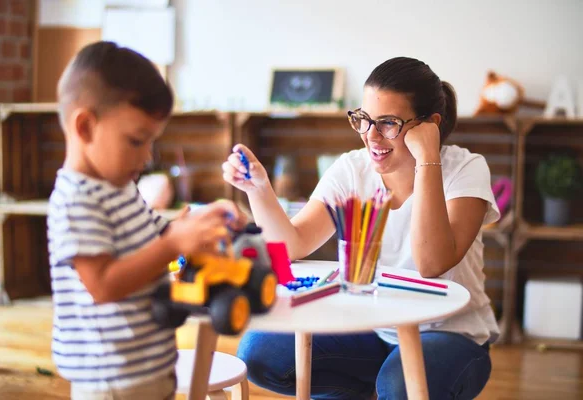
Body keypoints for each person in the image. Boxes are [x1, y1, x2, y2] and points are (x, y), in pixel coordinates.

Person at [222, 57, 500, 399]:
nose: (371, 136)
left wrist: (429, 158)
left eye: (388, 123)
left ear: (430, 124)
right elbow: (293, 244)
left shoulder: (466, 169)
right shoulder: (352, 169)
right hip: (371, 328)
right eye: (364, 120)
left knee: (398, 387)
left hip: (451, 333)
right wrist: (259, 189)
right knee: (260, 353)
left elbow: (431, 263)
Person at [48, 41, 244, 400]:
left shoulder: (118, 185)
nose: (147, 155)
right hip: (111, 379)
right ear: (86, 127)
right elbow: (102, 285)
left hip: (149, 365)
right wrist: (172, 243)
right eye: (136, 141)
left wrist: (189, 223)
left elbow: (145, 234)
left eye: (151, 141)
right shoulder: (76, 200)